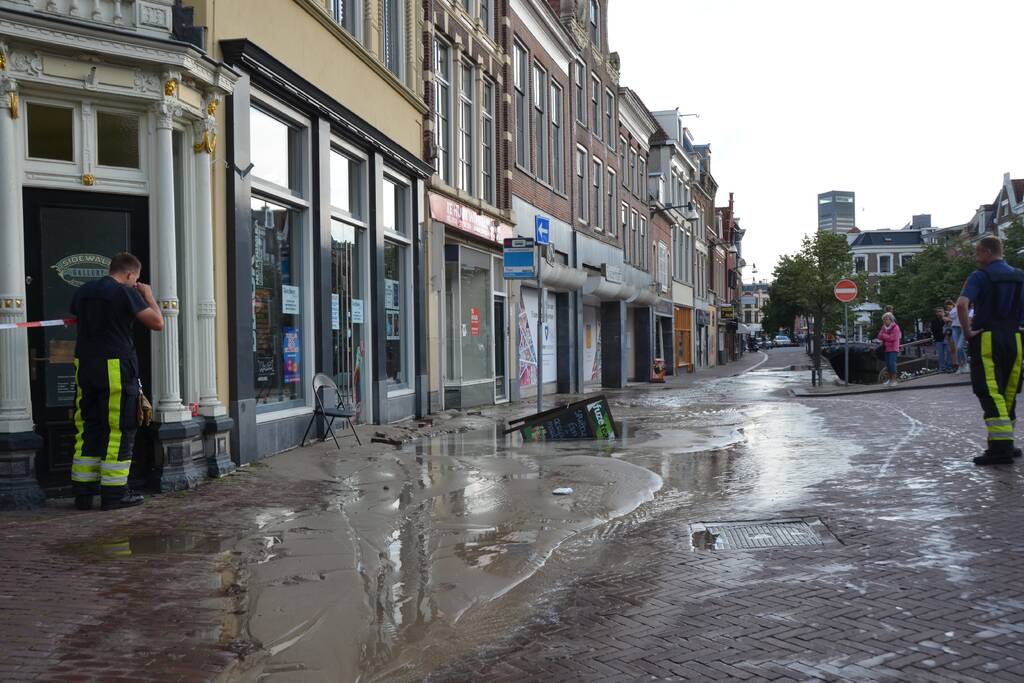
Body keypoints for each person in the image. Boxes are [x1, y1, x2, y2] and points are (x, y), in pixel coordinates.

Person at [70, 252, 164, 510]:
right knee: (119, 428)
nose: (136, 283)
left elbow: (75, 319)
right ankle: (114, 495)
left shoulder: (85, 291)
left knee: (87, 426)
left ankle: (83, 493)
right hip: (114, 366)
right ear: (130, 274)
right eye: (136, 279)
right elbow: (157, 323)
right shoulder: (125, 291)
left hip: (84, 366)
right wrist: (147, 295)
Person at [957, 235, 1024, 466]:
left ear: (986, 251)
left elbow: (962, 304)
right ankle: (1005, 442)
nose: (977, 258)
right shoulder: (1019, 276)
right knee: (1008, 389)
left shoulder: (980, 276)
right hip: (1015, 338)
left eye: (977, 253)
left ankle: (1001, 449)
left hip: (988, 337)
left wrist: (967, 332)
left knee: (989, 389)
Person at [876, 312, 902, 386]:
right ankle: (889, 379)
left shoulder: (895, 327)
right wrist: (885, 336)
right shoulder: (883, 327)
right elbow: (879, 336)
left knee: (892, 364)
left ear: (891, 320)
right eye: (884, 319)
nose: (885, 321)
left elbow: (892, 338)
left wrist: (884, 335)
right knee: (887, 364)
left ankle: (894, 380)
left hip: (893, 348)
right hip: (886, 348)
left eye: (887, 319)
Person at [931, 307, 950, 372]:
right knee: (941, 354)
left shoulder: (947, 319)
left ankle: (948, 366)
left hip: (946, 338)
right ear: (936, 313)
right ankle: (942, 367)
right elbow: (934, 330)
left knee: (948, 352)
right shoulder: (934, 321)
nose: (940, 313)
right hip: (939, 339)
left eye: (941, 311)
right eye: (938, 311)